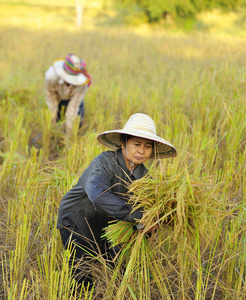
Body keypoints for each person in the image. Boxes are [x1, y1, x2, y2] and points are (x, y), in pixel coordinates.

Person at [57, 113, 177, 288]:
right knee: (82, 279)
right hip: (77, 222)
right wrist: (139, 216)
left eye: (147, 146)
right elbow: (98, 195)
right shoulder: (103, 163)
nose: (141, 151)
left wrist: (150, 223)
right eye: (136, 144)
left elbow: (145, 212)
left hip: (106, 226)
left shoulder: (145, 177)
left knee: (117, 272)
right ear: (123, 143)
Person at [44, 53, 92, 134]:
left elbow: (73, 107)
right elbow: (50, 96)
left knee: (76, 123)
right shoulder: (51, 77)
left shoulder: (82, 85)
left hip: (72, 99)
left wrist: (69, 130)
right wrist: (53, 117)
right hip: (58, 98)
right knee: (55, 120)